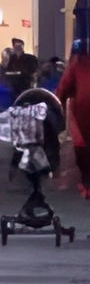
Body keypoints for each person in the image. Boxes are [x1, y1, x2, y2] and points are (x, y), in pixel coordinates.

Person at [53, 38, 90, 197]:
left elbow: (63, 89)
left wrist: (56, 105)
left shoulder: (77, 63)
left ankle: (87, 183)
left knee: (83, 148)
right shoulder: (77, 64)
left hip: (82, 112)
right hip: (82, 111)